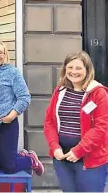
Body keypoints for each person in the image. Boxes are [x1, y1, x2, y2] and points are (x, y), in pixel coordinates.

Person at [0, 41, 44, 175]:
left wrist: (11, 116)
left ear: (6, 54)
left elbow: (24, 97)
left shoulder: (12, 72)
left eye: (0, 52)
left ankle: (30, 160)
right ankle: (19, 156)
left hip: (6, 124)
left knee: (8, 167)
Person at [44, 51, 108, 192]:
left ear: (87, 70)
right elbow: (49, 122)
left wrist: (79, 150)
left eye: (78, 68)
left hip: (90, 159)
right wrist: (54, 147)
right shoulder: (59, 91)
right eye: (70, 67)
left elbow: (101, 128)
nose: (74, 72)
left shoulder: (99, 93)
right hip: (63, 158)